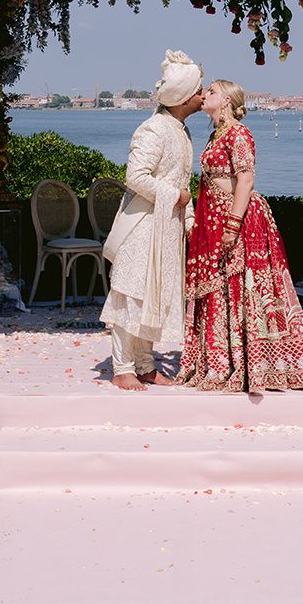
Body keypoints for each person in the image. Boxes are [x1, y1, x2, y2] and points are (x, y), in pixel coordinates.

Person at [178, 79, 303, 393]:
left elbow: (245, 180)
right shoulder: (216, 134)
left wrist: (232, 225)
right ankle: (224, 361)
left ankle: (258, 365)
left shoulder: (239, 133)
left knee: (247, 289)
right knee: (224, 290)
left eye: (212, 92)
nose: (206, 95)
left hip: (240, 221)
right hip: (216, 221)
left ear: (227, 100)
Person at [100, 50, 204, 391]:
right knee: (132, 295)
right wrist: (177, 198)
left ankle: (145, 364)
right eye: (199, 90)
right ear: (184, 97)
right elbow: (136, 177)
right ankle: (122, 367)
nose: (203, 95)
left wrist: (187, 217)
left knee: (154, 296)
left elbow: (181, 181)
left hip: (166, 227)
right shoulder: (153, 130)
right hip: (142, 226)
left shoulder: (180, 130)